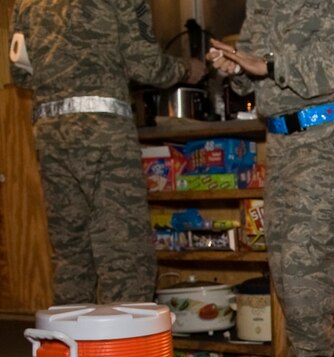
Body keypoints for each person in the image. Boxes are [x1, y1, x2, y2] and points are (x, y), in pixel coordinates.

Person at [205, 0, 334, 357]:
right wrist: (236, 68)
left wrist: (269, 65)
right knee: (281, 262)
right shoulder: (262, 4)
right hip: (279, 148)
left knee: (303, 261)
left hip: (324, 143)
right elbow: (253, 72)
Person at [9, 0, 207, 305]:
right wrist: (188, 68)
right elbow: (146, 65)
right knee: (124, 253)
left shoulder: (26, 2)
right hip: (105, 136)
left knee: (71, 254)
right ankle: (126, 336)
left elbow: (21, 73)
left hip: (51, 138)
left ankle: (71, 334)